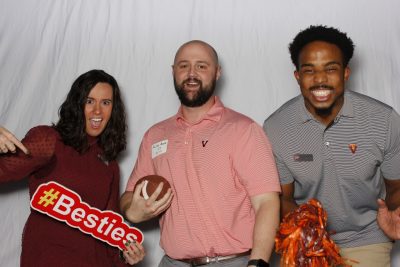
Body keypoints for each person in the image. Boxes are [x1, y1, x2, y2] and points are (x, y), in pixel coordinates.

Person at [120, 40, 281, 267]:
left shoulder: (244, 130)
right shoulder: (155, 135)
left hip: (233, 262)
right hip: (172, 263)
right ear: (173, 71)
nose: (191, 73)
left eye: (202, 66)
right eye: (184, 66)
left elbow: (266, 202)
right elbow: (129, 195)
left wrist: (259, 263)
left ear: (217, 73)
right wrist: (133, 212)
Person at [263, 25, 400, 266]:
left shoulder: (383, 120)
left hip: (367, 238)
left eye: (331, 69)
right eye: (309, 70)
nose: (320, 79)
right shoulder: (277, 127)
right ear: (297, 76)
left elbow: (396, 188)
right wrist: (306, 233)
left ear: (346, 73)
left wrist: (397, 212)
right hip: (306, 242)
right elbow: (282, 199)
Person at [0, 69, 145, 266]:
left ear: (114, 109)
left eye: (106, 103)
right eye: (89, 101)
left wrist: (125, 256)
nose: (97, 111)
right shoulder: (49, 140)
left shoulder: (109, 164)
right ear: (77, 103)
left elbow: (109, 233)